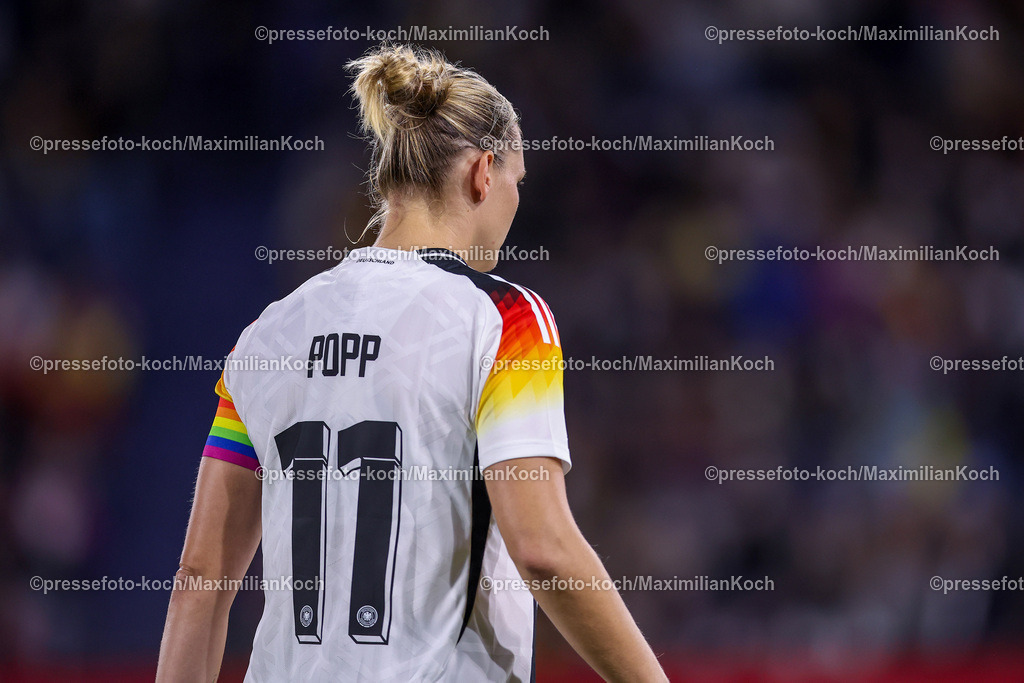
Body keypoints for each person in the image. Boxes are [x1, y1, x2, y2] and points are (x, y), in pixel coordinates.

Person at [156, 43, 668, 683]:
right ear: (484, 173)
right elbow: (544, 551)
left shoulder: (267, 336)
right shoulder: (504, 319)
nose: (515, 202)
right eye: (517, 180)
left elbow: (201, 579)